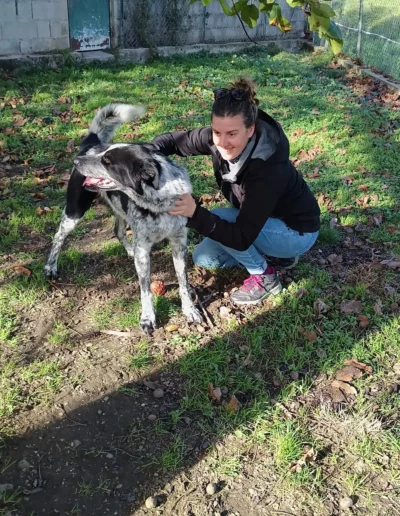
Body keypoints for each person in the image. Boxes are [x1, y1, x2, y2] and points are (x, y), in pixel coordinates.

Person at [151, 77, 320, 306]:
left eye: (231, 134)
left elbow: (240, 238)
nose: (222, 142)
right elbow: (175, 141)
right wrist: (147, 154)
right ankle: (276, 253)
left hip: (297, 232)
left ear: (250, 129)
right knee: (205, 258)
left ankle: (265, 277)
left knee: (221, 221)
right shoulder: (219, 138)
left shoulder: (267, 167)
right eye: (216, 132)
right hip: (264, 220)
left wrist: (195, 213)